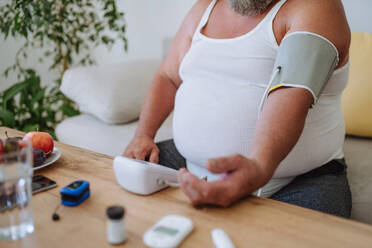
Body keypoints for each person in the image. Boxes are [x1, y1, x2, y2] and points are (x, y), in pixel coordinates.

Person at [123, 0, 352, 217]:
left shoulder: (316, 7)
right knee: (123, 190)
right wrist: (143, 135)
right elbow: (168, 77)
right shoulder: (204, 9)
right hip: (188, 164)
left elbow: (290, 94)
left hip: (300, 181)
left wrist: (259, 166)